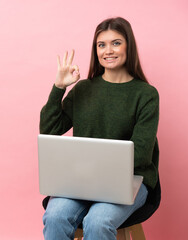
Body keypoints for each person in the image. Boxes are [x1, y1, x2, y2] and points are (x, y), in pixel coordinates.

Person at [39, 17, 159, 240]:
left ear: (128, 46)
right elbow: (49, 131)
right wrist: (59, 87)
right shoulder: (84, 88)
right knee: (55, 217)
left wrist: (93, 172)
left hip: (129, 181)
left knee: (98, 221)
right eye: (101, 45)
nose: (108, 50)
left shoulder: (146, 94)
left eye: (116, 43)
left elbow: (141, 154)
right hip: (81, 181)